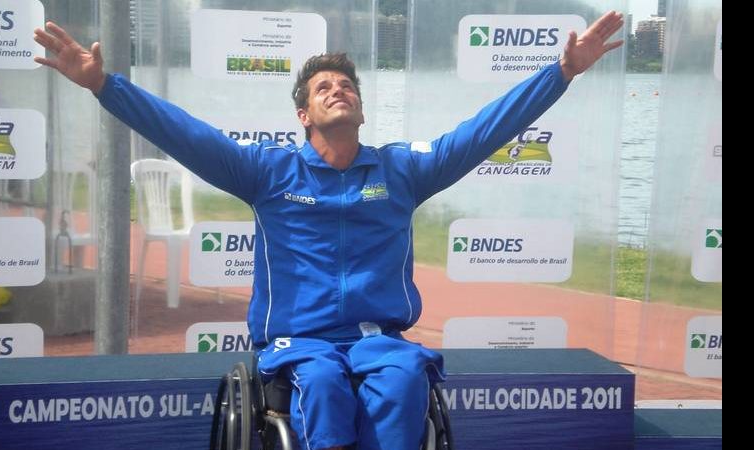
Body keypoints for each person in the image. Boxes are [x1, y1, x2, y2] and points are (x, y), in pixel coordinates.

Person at [33, 11, 623, 450]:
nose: (337, 90)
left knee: (403, 378)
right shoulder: (267, 173)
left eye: (346, 86)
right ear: (303, 116)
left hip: (376, 338)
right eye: (323, 88)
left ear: (361, 110)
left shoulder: (403, 171)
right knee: (320, 383)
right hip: (301, 342)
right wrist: (104, 86)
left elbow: (484, 130)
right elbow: (182, 132)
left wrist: (561, 73)